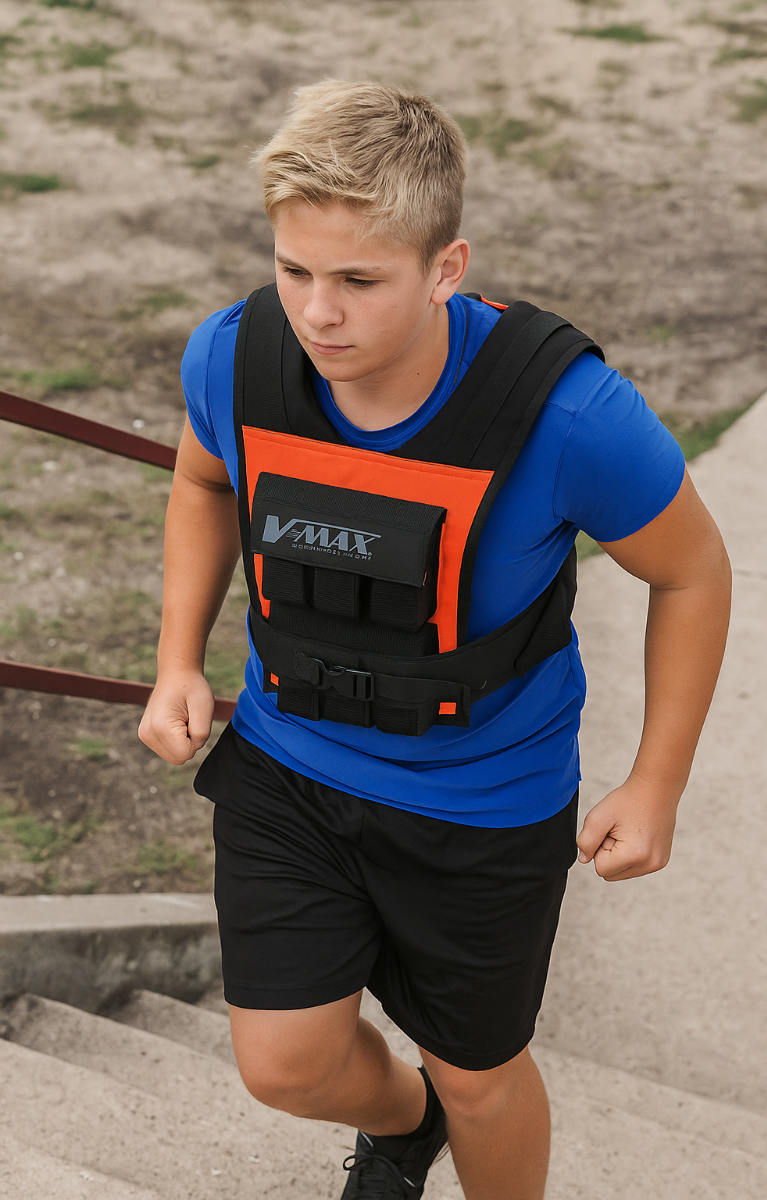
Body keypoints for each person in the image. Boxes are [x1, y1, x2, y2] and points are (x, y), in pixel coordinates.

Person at [138, 80, 731, 1200]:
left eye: (360, 280)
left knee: (481, 1076)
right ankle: (403, 1127)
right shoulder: (234, 357)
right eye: (294, 270)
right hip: (289, 764)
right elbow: (203, 478)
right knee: (284, 1063)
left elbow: (693, 571)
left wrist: (657, 781)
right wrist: (180, 657)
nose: (319, 314)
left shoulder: (571, 414)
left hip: (482, 804)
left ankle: (444, 1114)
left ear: (446, 269)